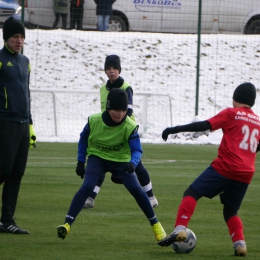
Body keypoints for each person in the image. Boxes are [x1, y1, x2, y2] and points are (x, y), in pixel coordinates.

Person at [157, 82, 260, 257]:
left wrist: (176, 129)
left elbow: (205, 125)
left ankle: (180, 228)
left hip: (226, 166)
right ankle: (240, 244)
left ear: (235, 99)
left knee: (192, 192)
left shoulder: (231, 113)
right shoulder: (257, 121)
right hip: (246, 172)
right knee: (230, 211)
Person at [57, 88, 166, 241]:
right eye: (116, 109)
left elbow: (137, 150)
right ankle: (66, 225)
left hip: (121, 161)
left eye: (123, 109)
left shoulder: (130, 125)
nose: (120, 113)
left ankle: (156, 225)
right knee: (87, 186)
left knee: (136, 189)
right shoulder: (94, 121)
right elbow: (83, 140)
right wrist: (80, 162)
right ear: (108, 107)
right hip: (97, 158)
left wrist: (133, 164)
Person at [83, 55, 158, 209]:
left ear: (119, 70)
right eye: (108, 68)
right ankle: (90, 198)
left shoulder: (126, 88)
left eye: (114, 68)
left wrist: (122, 130)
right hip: (106, 132)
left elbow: (128, 111)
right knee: (100, 161)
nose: (111, 71)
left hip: (124, 132)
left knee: (137, 165)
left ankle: (151, 197)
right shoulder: (103, 89)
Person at [0, 17, 36, 234]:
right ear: (6, 38)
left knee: (16, 173)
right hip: (5, 121)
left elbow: (27, 94)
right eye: (15, 36)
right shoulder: (1, 59)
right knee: (3, 169)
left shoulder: (25, 62)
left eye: (22, 37)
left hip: (22, 124)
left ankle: (6, 221)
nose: (19, 40)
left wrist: (30, 125)